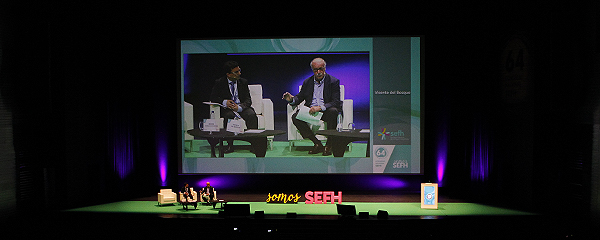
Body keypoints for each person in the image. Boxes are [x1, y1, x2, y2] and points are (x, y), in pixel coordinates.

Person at [283, 58, 341, 156]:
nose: (318, 72)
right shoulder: (307, 82)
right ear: (312, 70)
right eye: (315, 70)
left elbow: (336, 102)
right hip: (311, 111)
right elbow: (299, 97)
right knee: (295, 117)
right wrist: (291, 100)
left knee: (333, 111)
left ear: (325, 68)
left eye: (321, 69)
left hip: (325, 111)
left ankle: (329, 145)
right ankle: (317, 143)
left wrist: (320, 107)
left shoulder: (333, 81)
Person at [210, 61, 258, 153]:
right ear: (228, 74)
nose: (239, 73)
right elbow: (213, 97)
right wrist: (225, 102)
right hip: (228, 109)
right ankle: (229, 145)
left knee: (251, 115)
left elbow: (248, 100)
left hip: (241, 107)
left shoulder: (243, 82)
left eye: (239, 70)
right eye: (236, 72)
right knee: (228, 116)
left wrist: (239, 107)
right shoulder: (220, 82)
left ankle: (254, 144)